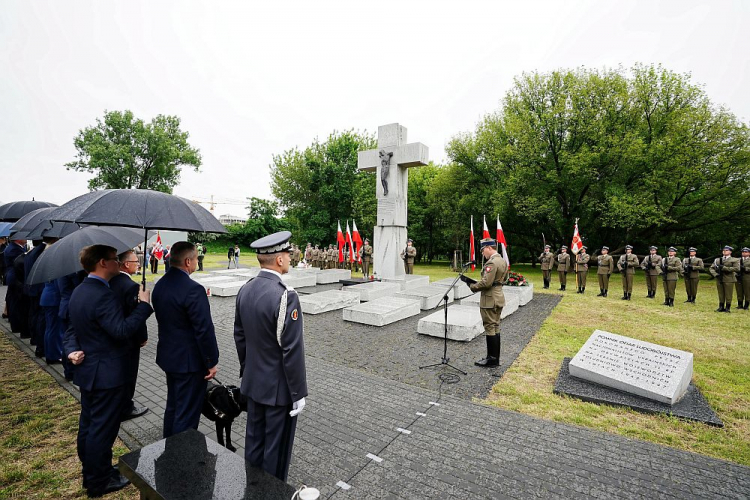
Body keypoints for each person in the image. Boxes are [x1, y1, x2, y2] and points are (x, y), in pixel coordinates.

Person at [63, 244, 153, 497]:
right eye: (115, 260)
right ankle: (99, 481)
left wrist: (71, 350)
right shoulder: (103, 295)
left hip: (89, 372)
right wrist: (143, 306)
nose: (119, 264)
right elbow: (122, 331)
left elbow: (72, 330)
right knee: (102, 430)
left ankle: (94, 471)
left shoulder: (81, 290)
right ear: (103, 263)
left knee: (89, 425)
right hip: (107, 374)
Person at [234, 231, 307, 482]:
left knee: (254, 444)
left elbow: (240, 337)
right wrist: (298, 393)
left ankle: (251, 489)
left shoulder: (245, 289)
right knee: (275, 452)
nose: (290, 258)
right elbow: (292, 349)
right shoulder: (286, 295)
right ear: (278, 260)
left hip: (253, 383)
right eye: (287, 254)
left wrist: (249, 369)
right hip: (278, 390)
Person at [152, 241, 219, 437]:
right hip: (189, 362)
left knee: (173, 405)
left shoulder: (160, 284)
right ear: (188, 261)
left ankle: (168, 447)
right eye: (197, 258)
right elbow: (204, 330)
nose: (197, 262)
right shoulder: (193, 289)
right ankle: (180, 460)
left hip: (169, 357)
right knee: (187, 412)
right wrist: (211, 361)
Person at [110, 250, 150, 421]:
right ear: (126, 264)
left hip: (113, 335)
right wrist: (142, 337)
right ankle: (126, 407)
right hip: (129, 338)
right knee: (129, 373)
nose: (138, 264)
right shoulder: (131, 286)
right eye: (136, 261)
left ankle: (117, 404)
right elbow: (136, 315)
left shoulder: (110, 281)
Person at [461, 238, 507, 367]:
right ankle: (495, 358)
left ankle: (491, 359)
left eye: (482, 250)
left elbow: (486, 283)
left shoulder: (491, 263)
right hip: (499, 297)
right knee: (495, 326)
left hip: (489, 299)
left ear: (488, 248)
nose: (482, 253)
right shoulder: (502, 261)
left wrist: (471, 285)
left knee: (489, 327)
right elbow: (504, 278)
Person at [4, 238, 28, 335]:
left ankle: (15, 323)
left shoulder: (16, 248)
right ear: (18, 239)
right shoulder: (14, 249)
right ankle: (16, 324)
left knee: (13, 300)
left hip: (13, 277)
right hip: (15, 278)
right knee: (15, 302)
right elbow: (19, 263)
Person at [709, 245, 740, 312]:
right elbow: (711, 268)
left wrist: (724, 268)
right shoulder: (717, 260)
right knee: (721, 293)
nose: (724, 251)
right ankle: (721, 306)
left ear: (730, 252)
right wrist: (715, 275)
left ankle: (728, 307)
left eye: (726, 250)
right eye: (724, 250)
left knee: (728, 294)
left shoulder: (734, 259)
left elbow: (737, 268)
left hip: (729, 278)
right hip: (719, 278)